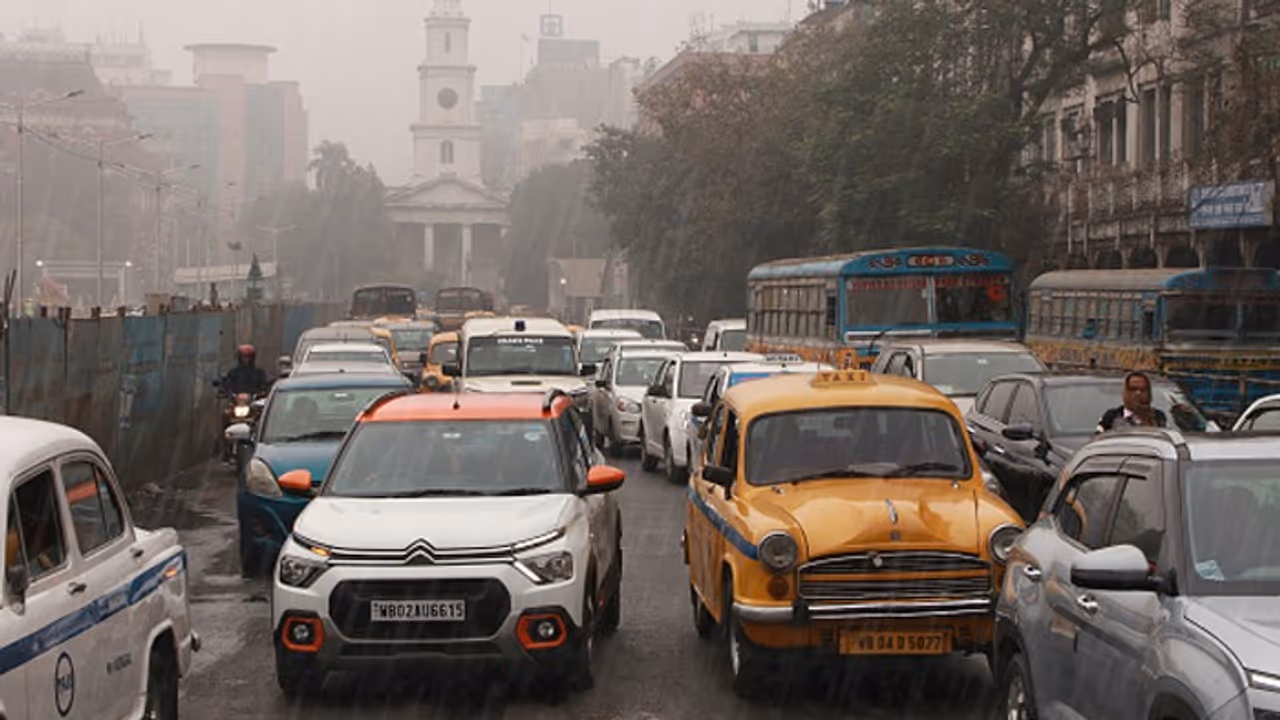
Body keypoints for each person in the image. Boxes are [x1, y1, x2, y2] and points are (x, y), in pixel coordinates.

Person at [1096, 371, 1168, 433]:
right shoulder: (1111, 417)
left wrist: (1147, 419)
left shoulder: (1158, 416)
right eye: (1133, 389)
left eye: (1143, 390)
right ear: (1125, 392)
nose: (1138, 393)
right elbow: (1098, 440)